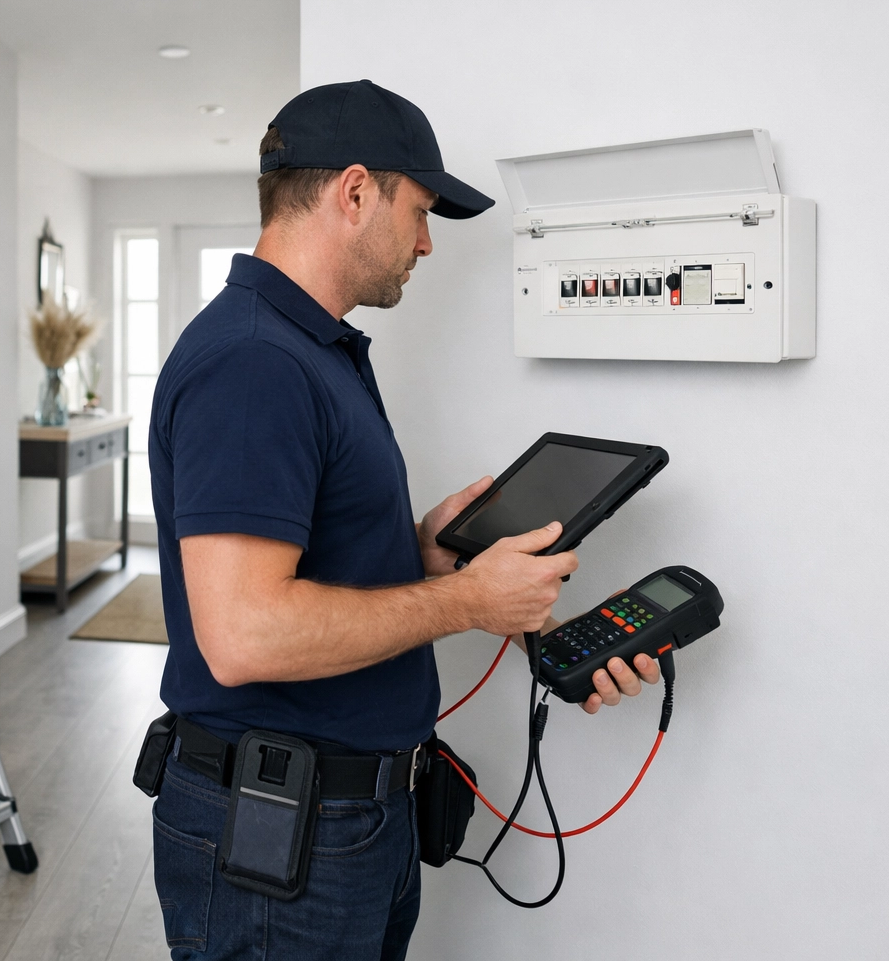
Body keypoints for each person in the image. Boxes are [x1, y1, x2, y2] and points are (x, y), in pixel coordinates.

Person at [146, 80, 661, 960]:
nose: (427, 242)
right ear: (354, 192)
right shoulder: (254, 365)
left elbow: (300, 569)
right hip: (283, 836)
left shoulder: (314, 350)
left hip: (347, 821)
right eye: (420, 211)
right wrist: (468, 602)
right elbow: (243, 635)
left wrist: (420, 556)